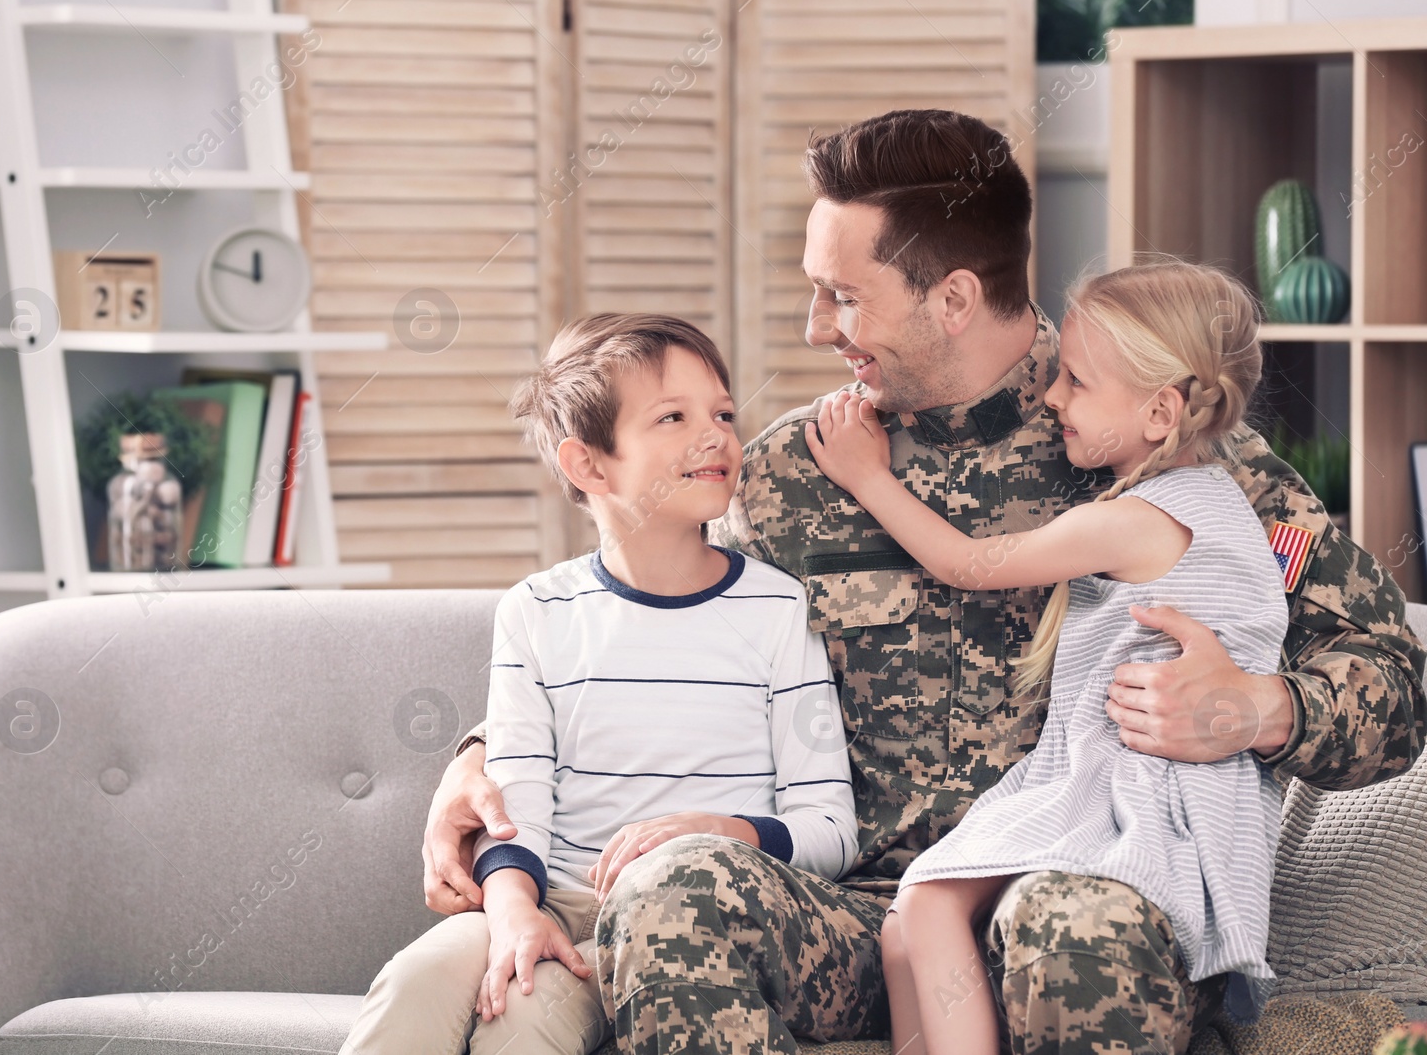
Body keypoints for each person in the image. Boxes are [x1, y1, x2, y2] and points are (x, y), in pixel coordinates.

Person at [424, 109, 1427, 1055]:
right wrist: (481, 757)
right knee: (670, 890)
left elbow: (1394, 682)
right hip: (867, 919)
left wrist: (1258, 707)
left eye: (845, 294)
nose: (816, 326)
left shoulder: (1175, 459)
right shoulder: (792, 474)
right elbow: (650, 618)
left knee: (1063, 921)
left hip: (1097, 894)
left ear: (951, 297)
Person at [339, 312, 857, 1055]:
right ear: (589, 465)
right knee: (413, 983)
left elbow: (831, 830)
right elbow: (516, 799)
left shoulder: (779, 609)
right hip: (547, 897)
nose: (715, 434)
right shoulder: (535, 611)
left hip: (677, 925)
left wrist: (718, 829)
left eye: (722, 412)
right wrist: (516, 911)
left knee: (519, 1025)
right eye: (672, 417)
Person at [805, 258, 1288, 1055]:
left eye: (1076, 380)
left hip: (1139, 789)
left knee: (923, 909)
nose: (1051, 396)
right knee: (904, 927)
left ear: (1160, 412)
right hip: (1133, 778)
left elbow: (967, 564)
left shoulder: (1142, 518)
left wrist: (868, 478)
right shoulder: (1210, 500)